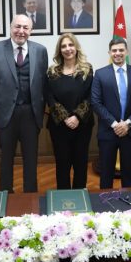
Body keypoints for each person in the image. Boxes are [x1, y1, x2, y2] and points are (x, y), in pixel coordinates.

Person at [0, 14, 48, 192]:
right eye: (17, 26)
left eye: (25, 28)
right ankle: (6, 194)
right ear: (11, 27)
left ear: (31, 31)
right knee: (6, 158)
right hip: (6, 114)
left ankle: (30, 196)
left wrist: (42, 111)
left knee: (31, 159)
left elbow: (44, 84)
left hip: (31, 113)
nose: (21, 31)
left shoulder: (40, 50)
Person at [92, 38, 131, 189]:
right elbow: (96, 102)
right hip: (108, 132)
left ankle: (130, 202)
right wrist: (115, 124)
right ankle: (105, 202)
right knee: (106, 174)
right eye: (114, 50)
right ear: (109, 52)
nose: (118, 53)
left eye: (121, 50)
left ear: (127, 51)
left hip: (130, 132)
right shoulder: (100, 74)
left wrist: (128, 123)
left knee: (129, 174)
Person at [46, 33, 94, 189]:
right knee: (62, 164)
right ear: (59, 50)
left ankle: (80, 196)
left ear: (76, 47)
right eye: (64, 46)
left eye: (71, 45)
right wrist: (66, 117)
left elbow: (90, 96)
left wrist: (77, 117)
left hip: (83, 125)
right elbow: (49, 97)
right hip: (59, 126)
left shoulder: (87, 69)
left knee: (81, 163)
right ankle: (63, 198)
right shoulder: (52, 72)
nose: (68, 49)